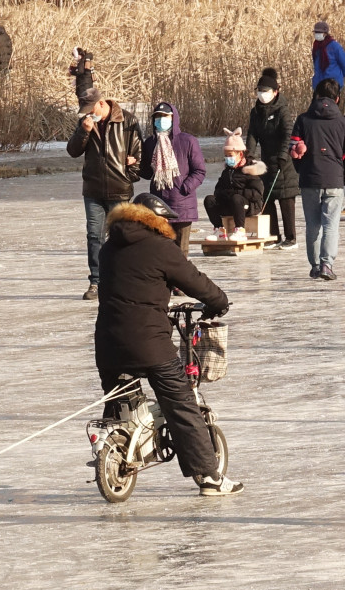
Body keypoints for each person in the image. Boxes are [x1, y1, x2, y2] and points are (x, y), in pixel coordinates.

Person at [96, 192, 243, 496]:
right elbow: (194, 280)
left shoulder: (109, 247)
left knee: (123, 402)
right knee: (181, 405)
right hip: (149, 344)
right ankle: (209, 477)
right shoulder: (161, 248)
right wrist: (220, 302)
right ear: (155, 221)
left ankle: (123, 442)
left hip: (107, 345)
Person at [66, 86, 142, 301]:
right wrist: (84, 131)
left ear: (101, 103)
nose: (89, 114)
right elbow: (73, 151)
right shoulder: (85, 123)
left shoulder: (127, 120)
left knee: (122, 236)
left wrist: (129, 175)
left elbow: (138, 153)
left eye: (91, 109)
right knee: (94, 236)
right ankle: (96, 282)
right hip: (93, 190)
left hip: (120, 189)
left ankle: (122, 280)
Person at [291, 78, 345, 281]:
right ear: (337, 99)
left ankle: (314, 266)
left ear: (316, 96)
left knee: (312, 225)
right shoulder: (344, 123)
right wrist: (343, 173)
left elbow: (293, 149)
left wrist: (301, 169)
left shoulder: (303, 120)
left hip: (309, 179)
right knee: (331, 225)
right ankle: (327, 265)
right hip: (333, 179)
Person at [139, 102, 205, 257]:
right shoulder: (150, 143)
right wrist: (135, 163)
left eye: (164, 116)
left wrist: (184, 188)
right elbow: (148, 173)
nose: (160, 120)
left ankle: (179, 282)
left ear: (173, 118)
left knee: (180, 255)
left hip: (182, 206)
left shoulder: (188, 141)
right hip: (158, 206)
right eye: (157, 117)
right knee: (160, 253)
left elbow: (199, 171)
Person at [246, 67, 300, 250]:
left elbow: (288, 135)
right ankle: (274, 236)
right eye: (259, 91)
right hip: (266, 161)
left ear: (275, 92)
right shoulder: (256, 112)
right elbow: (252, 135)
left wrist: (283, 156)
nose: (262, 94)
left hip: (283, 162)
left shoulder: (282, 111)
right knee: (267, 199)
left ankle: (290, 238)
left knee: (285, 200)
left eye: (266, 91)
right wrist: (250, 155)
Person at [203, 128, 265, 242]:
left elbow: (257, 194)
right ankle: (219, 230)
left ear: (240, 153)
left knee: (236, 199)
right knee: (209, 200)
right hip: (230, 204)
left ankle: (240, 230)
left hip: (248, 206)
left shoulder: (250, 169)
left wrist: (236, 193)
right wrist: (224, 194)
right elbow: (217, 190)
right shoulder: (227, 170)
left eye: (230, 155)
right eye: (226, 155)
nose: (227, 158)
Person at [311, 21, 345, 91]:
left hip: (333, 85)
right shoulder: (316, 47)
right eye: (316, 32)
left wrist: (339, 76)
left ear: (325, 33)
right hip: (319, 85)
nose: (317, 34)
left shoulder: (334, 46)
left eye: (320, 32)